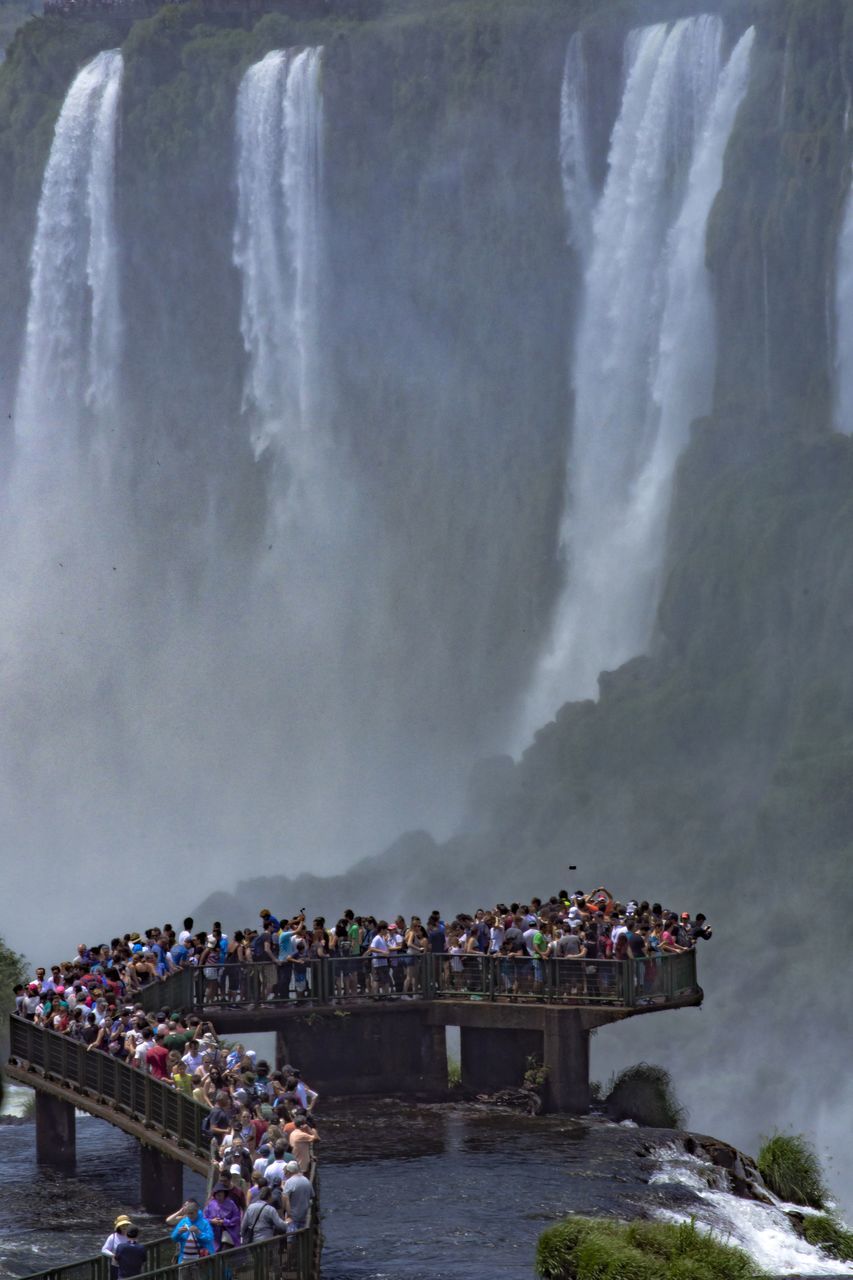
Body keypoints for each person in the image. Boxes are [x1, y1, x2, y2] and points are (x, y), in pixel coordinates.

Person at [203, 1184, 241, 1250]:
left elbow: (237, 1218)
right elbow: (203, 1219)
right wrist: (212, 1221)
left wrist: (225, 1222)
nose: (219, 1197)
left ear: (224, 1194)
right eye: (217, 1195)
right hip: (214, 1235)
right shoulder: (210, 1204)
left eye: (220, 1195)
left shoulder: (231, 1204)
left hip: (228, 1233)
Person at [282, 1160, 313, 1232]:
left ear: (289, 1171)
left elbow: (285, 1200)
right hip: (304, 1215)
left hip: (293, 1217)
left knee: (290, 1239)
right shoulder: (306, 1180)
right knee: (302, 1237)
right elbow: (311, 1195)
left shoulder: (289, 1182)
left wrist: (288, 1215)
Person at [102, 1215, 133, 1280]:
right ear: (119, 1226)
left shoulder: (132, 1236)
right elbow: (104, 1250)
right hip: (117, 1267)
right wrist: (113, 1255)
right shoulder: (112, 1237)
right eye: (123, 1225)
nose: (125, 1227)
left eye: (127, 1225)